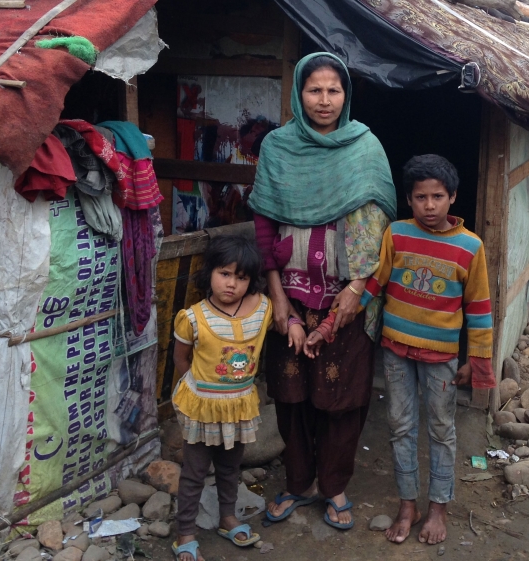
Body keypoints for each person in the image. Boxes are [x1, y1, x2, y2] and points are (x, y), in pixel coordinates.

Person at [307, 154, 496, 545]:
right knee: (400, 427)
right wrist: (331, 324)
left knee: (442, 431)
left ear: (453, 197)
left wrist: (477, 363)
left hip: (442, 358)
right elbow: (373, 286)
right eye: (420, 197)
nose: (429, 206)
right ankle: (407, 505)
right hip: (395, 351)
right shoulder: (397, 234)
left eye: (438, 197)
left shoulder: (470, 247)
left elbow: (478, 309)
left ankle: (438, 507)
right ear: (408, 200)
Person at [247, 52, 398, 530]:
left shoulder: (365, 146)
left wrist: (356, 293)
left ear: (346, 95)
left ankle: (334, 486)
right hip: (290, 292)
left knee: (344, 397)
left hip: (346, 297)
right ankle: (298, 483)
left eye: (334, 90)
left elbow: (378, 229)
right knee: (291, 395)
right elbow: (265, 225)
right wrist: (278, 300)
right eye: (315, 90)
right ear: (299, 93)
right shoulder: (277, 147)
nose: (325, 100)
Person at [170, 235, 299, 560]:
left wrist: (295, 323)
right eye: (224, 274)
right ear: (210, 272)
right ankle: (185, 533)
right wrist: (188, 394)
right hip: (202, 410)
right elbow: (180, 360)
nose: (231, 284)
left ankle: (228, 518)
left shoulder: (263, 309)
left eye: (241, 278)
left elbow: (285, 314)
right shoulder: (194, 318)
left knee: (231, 467)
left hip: (239, 407)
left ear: (251, 281)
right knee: (194, 472)